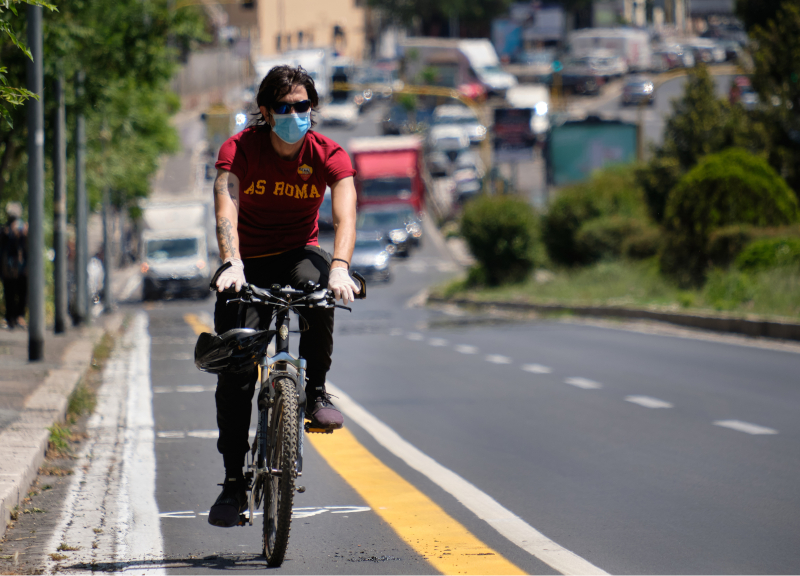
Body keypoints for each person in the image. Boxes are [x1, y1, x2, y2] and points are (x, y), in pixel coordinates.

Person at [208, 65, 360, 528]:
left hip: (299, 253)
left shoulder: (328, 152)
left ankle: (314, 391)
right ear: (265, 112)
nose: (295, 114)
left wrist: (340, 266)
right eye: (284, 107)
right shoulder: (240, 149)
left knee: (320, 290)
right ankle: (234, 483)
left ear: (312, 109)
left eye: (302, 107)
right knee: (236, 372)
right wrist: (231, 261)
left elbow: (346, 212)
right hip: (248, 262)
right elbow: (226, 201)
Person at [0, 202, 28, 329]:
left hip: (21, 266)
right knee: (10, 292)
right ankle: (11, 317)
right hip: (9, 266)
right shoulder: (5, 229)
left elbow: (27, 245)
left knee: (21, 291)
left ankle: (19, 316)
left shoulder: (24, 228)